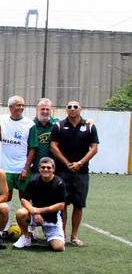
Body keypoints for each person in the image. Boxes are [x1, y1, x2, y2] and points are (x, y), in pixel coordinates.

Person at [0, 95, 37, 238]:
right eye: (17, 105)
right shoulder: (1, 119)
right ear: (10, 107)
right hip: (5, 168)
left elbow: (32, 148)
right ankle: (5, 230)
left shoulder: (29, 124)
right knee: (5, 198)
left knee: (24, 199)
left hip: (22, 168)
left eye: (22, 105)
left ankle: (25, 231)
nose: (21, 108)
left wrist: (26, 168)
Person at [49, 100, 99, 246]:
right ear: (66, 110)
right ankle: (62, 235)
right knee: (62, 204)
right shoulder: (58, 126)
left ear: (80, 109)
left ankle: (74, 236)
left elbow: (94, 148)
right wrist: (67, 163)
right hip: (62, 172)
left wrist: (80, 163)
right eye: (69, 107)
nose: (72, 109)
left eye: (75, 107)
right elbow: (53, 147)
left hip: (82, 173)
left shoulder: (89, 126)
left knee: (78, 205)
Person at [13, 157, 66, 251]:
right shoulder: (33, 181)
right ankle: (26, 237)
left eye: (49, 167)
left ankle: (51, 237)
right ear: (39, 169)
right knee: (20, 213)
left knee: (58, 247)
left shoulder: (59, 183)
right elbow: (24, 200)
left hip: (52, 219)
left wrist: (39, 210)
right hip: (34, 215)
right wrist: (34, 212)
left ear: (53, 169)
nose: (46, 169)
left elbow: (61, 205)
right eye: (43, 167)